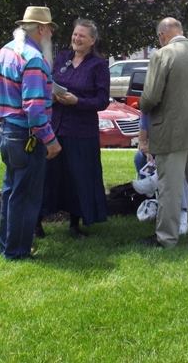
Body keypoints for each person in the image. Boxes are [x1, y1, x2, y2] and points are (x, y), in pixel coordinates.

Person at [138, 17, 188, 248]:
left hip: (171, 131)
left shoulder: (162, 55)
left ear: (162, 35)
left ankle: (166, 237)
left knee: (170, 186)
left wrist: (143, 105)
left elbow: (151, 96)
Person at [0, 6, 62, 260]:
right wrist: (50, 140)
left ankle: (7, 245)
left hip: (8, 130)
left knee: (11, 191)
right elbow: (34, 107)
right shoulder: (33, 58)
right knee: (26, 196)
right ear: (42, 29)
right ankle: (18, 251)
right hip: (26, 136)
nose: (51, 35)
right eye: (50, 29)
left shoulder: (6, 51)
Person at [39, 19, 110, 238]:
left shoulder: (98, 65)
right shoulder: (63, 58)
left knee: (79, 177)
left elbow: (102, 101)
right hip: (57, 127)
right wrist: (53, 96)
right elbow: (49, 83)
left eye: (82, 36)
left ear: (92, 40)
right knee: (48, 176)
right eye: (75, 34)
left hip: (81, 132)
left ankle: (75, 223)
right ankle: (37, 222)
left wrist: (77, 101)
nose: (76, 39)